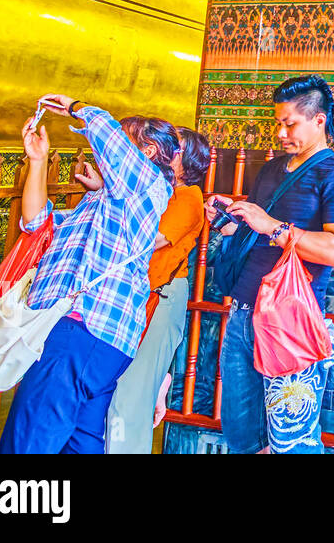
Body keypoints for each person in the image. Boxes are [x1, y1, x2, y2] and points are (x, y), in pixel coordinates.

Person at [0, 98, 177, 454]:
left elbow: (113, 144)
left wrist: (78, 107)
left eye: (127, 143)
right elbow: (38, 223)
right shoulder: (101, 202)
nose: (107, 155)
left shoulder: (149, 188)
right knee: (79, 442)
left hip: (81, 328)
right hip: (97, 339)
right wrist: (36, 162)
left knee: (30, 439)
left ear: (149, 150)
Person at [208, 74, 334, 454]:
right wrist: (234, 219)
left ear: (319, 120)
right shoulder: (271, 171)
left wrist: (271, 225)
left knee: (291, 442)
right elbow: (256, 230)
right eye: (278, 123)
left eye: (290, 123)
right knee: (242, 434)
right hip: (243, 313)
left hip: (289, 321)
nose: (281, 133)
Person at [105, 126, 211, 453]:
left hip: (162, 297)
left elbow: (150, 241)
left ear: (183, 160)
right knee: (119, 387)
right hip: (142, 295)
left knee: (130, 397)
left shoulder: (189, 198)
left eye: (172, 146)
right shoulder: (160, 191)